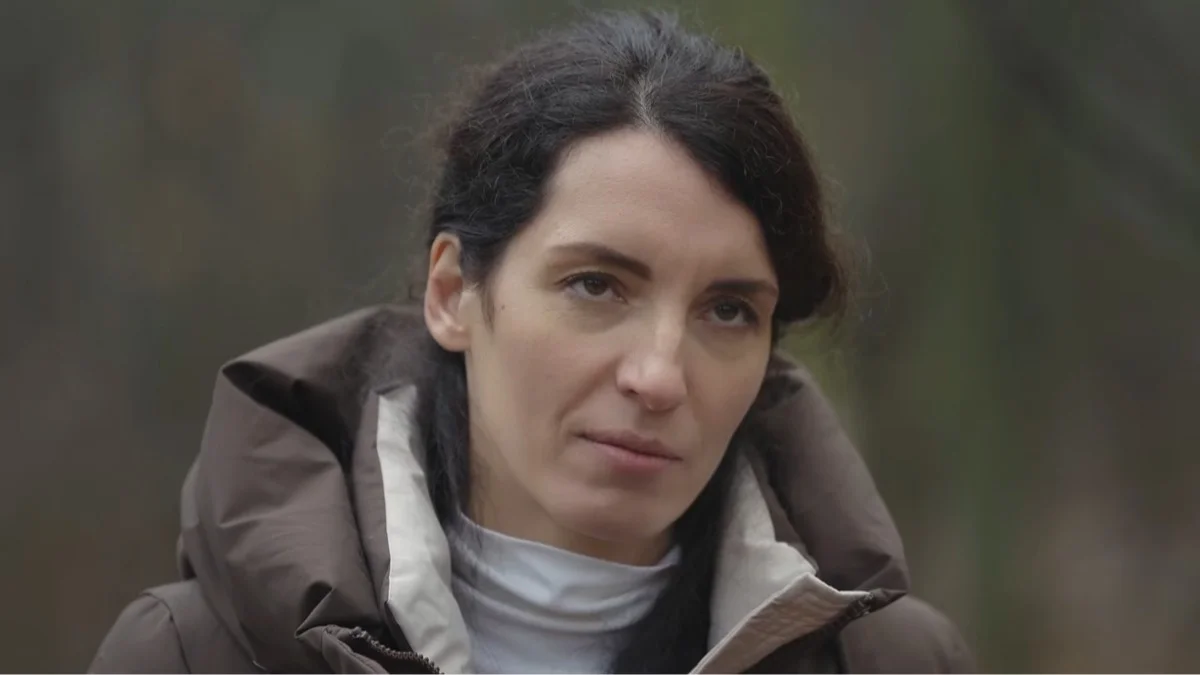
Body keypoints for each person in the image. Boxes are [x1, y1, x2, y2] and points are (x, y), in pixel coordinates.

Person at [89, 10, 974, 674]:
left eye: (729, 310)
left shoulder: (896, 663)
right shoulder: (190, 656)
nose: (660, 375)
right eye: (596, 285)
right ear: (452, 293)